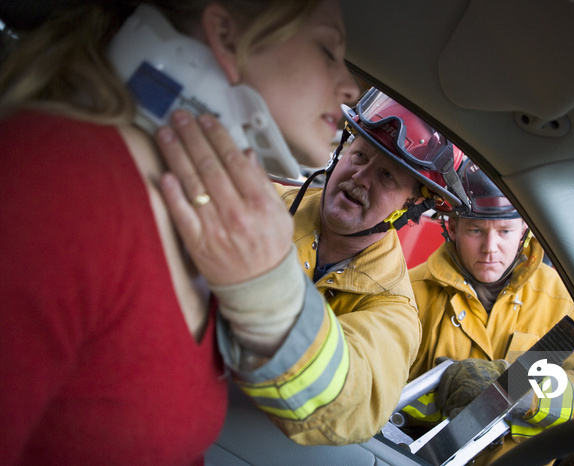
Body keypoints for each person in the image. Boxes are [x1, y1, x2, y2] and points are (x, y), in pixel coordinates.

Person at [0, 1, 359, 464]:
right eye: (328, 50)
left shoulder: (218, 228)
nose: (351, 87)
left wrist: (268, 288)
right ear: (226, 37)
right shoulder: (54, 187)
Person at [155, 87, 471, 445]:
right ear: (341, 152)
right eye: (360, 154)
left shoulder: (393, 312)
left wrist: (261, 284)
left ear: (411, 208)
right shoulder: (254, 202)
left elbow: (351, 399)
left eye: (387, 177)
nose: (360, 176)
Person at [406, 160, 574, 465]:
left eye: (505, 231)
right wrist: (446, 390)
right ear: (453, 228)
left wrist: (524, 393)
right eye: (475, 229)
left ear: (524, 229)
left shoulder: (562, 301)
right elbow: (378, 396)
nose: (490, 247)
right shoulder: (411, 294)